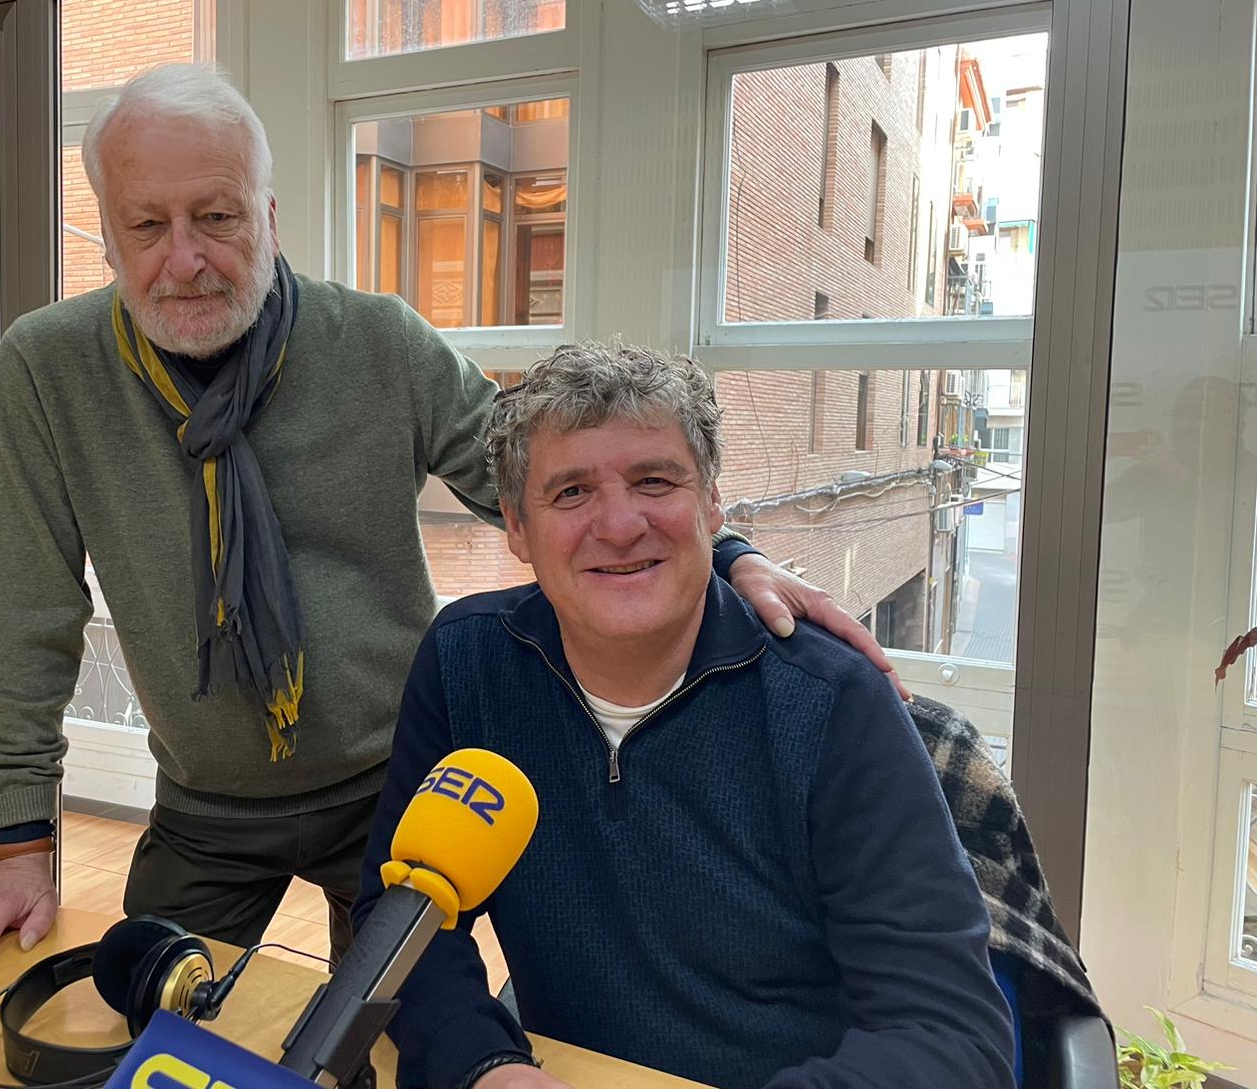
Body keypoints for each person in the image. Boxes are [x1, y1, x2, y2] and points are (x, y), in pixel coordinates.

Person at [0, 63, 898, 983]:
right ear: (106, 236)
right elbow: (26, 613)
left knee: (396, 1031)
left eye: (217, 216)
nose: (184, 259)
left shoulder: (378, 342)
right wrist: (19, 852)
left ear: (271, 219)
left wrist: (722, 551)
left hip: (396, 787)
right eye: (146, 227)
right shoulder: (48, 367)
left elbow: (550, 479)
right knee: (146, 1030)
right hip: (204, 804)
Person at [354, 341, 1014, 1089]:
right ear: (515, 526)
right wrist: (484, 1064)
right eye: (570, 493)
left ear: (711, 503)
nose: (620, 524)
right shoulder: (465, 662)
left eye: (654, 480)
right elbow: (401, 917)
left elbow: (949, 1037)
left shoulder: (833, 702)